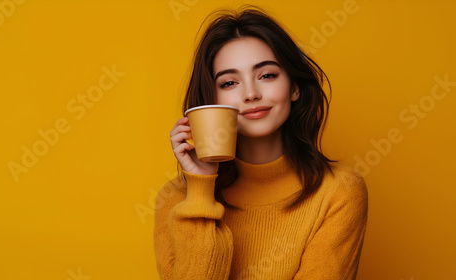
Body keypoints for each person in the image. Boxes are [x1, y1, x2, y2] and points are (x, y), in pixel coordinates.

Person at [154, 6, 368, 280]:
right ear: (211, 99)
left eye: (267, 75)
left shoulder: (339, 192)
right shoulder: (177, 199)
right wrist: (201, 186)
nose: (251, 94)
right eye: (230, 82)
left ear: (294, 87)